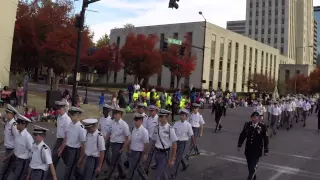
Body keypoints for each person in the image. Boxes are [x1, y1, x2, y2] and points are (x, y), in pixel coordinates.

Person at [237, 111, 269, 180]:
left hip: (257, 150)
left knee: (252, 167)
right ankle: (253, 177)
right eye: (252, 117)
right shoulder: (247, 125)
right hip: (248, 149)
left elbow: (265, 138)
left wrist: (266, 149)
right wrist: (239, 145)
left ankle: (250, 177)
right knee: (249, 165)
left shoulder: (262, 126)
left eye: (255, 117)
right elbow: (242, 135)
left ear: (258, 118)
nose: (254, 119)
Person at [58, 106, 86, 180]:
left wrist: (81, 158)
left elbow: (83, 144)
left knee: (70, 168)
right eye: (71, 115)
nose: (71, 117)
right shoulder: (70, 124)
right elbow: (66, 138)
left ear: (78, 115)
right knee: (71, 168)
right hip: (68, 148)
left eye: (73, 115)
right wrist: (61, 148)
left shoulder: (81, 128)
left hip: (75, 150)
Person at [170, 108, 196, 179]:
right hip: (176, 142)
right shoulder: (176, 123)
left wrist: (194, 144)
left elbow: (192, 135)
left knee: (177, 158)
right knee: (179, 155)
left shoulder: (188, 125)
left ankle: (173, 174)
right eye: (180, 115)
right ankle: (185, 165)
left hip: (183, 143)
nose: (181, 116)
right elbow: (172, 132)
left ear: (186, 116)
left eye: (183, 115)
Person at [105, 107, 130, 179]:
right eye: (114, 114)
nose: (114, 115)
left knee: (113, 161)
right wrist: (104, 141)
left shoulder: (124, 125)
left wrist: (123, 148)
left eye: (116, 114)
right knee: (119, 161)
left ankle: (108, 177)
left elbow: (127, 138)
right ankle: (123, 174)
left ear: (120, 114)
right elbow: (109, 133)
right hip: (112, 144)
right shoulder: (113, 123)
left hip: (119, 145)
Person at [152, 109, 177, 180]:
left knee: (158, 176)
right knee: (162, 172)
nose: (159, 118)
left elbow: (174, 144)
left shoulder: (170, 129)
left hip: (165, 154)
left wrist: (173, 158)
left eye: (161, 116)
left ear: (166, 117)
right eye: (159, 116)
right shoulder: (156, 128)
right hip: (156, 153)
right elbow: (153, 140)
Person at [126, 113, 149, 180]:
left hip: (139, 152)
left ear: (141, 121)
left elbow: (146, 144)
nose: (135, 121)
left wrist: (145, 154)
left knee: (133, 168)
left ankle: (129, 178)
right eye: (135, 120)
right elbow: (130, 140)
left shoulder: (144, 131)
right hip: (133, 151)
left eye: (137, 120)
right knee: (139, 168)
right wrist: (128, 149)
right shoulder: (133, 129)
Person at [11, 114, 33, 180]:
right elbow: (16, 147)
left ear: (23, 125)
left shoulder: (27, 137)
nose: (16, 125)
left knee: (17, 177)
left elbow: (32, 151)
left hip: (23, 162)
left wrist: (30, 170)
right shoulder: (17, 133)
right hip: (16, 159)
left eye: (18, 123)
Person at [0, 105, 19, 180]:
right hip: (8, 149)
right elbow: (6, 137)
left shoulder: (14, 125)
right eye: (6, 112)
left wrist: (14, 151)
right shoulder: (7, 123)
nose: (6, 114)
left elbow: (18, 138)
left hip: (12, 150)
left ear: (12, 114)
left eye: (8, 113)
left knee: (4, 169)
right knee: (10, 169)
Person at [51, 101, 71, 169]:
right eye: (58, 109)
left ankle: (78, 175)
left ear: (64, 108)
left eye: (60, 109)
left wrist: (61, 148)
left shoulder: (67, 120)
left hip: (64, 141)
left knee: (68, 162)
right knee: (54, 159)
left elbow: (67, 136)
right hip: (59, 140)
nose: (59, 111)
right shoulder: (59, 117)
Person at [97, 104, 114, 173]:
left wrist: (107, 139)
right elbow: (99, 129)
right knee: (101, 156)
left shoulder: (111, 121)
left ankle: (110, 169)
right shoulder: (101, 119)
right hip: (101, 140)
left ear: (109, 111)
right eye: (103, 109)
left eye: (105, 110)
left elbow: (112, 132)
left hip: (108, 141)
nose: (104, 111)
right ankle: (98, 169)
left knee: (108, 156)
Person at [143, 105, 159, 174]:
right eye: (150, 110)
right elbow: (146, 128)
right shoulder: (148, 119)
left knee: (155, 154)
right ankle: (146, 169)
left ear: (155, 111)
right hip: (149, 139)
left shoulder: (158, 119)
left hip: (156, 139)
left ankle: (149, 167)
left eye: (152, 110)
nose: (151, 112)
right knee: (149, 154)